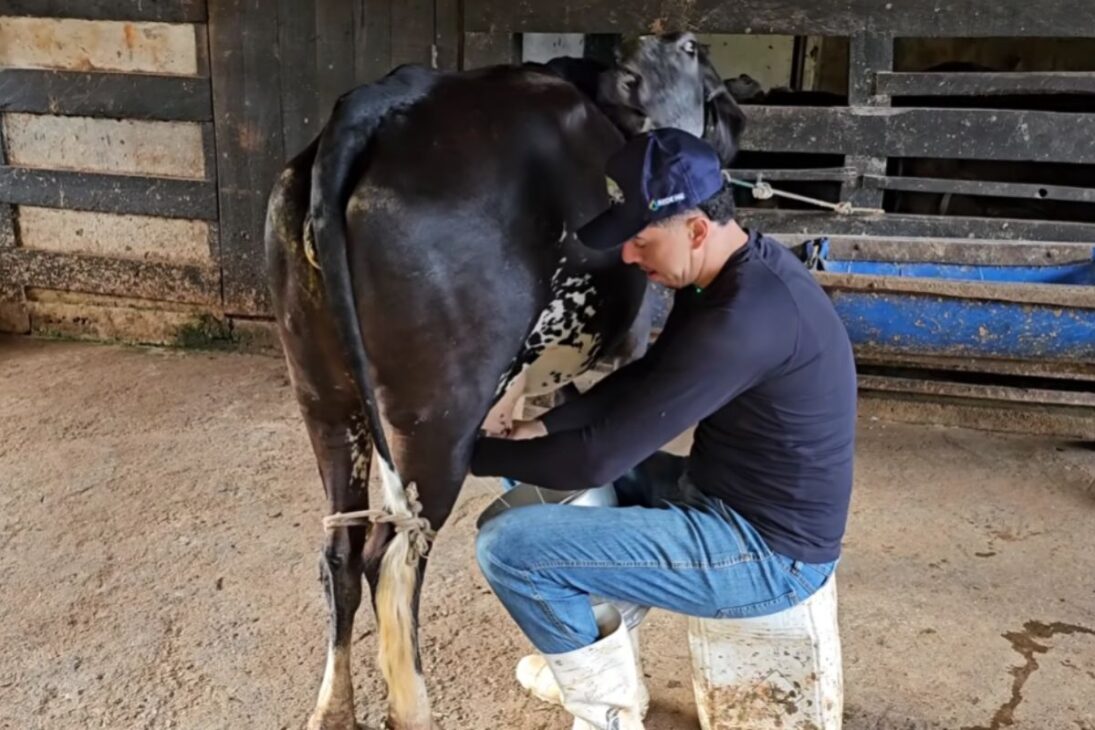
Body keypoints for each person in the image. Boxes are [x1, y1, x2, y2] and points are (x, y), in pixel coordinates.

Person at [470, 127, 857, 730]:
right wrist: (539, 427)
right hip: (717, 495)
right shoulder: (725, 273)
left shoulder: (741, 320)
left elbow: (593, 462)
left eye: (639, 240)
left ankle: (606, 715)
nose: (626, 256)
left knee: (511, 549)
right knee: (538, 480)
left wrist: (468, 455)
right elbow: (648, 377)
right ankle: (592, 650)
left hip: (765, 554)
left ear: (696, 229)